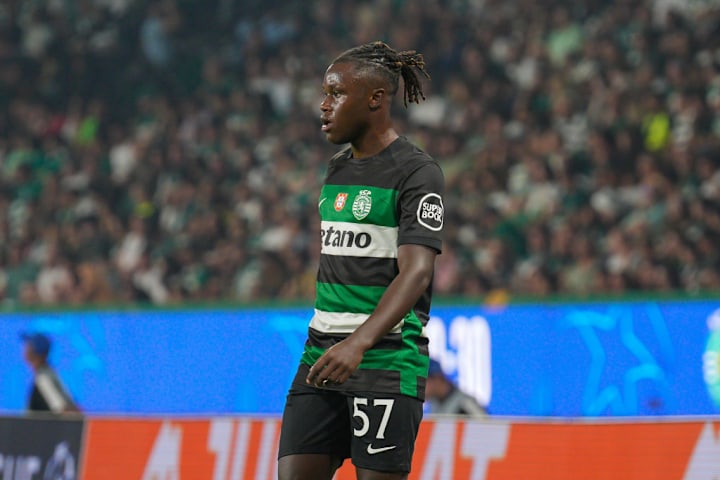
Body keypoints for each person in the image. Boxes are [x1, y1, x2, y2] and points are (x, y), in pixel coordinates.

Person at [277, 41, 444, 480]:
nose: (324, 105)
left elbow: (418, 271)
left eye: (336, 93)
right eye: (324, 94)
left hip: (385, 359)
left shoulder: (416, 172)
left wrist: (359, 342)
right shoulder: (337, 168)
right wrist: (337, 343)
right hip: (321, 354)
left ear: (375, 99)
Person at [20, 332, 80, 415]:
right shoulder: (49, 373)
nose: (24, 349)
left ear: (35, 351)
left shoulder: (44, 378)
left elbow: (66, 411)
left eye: (28, 346)